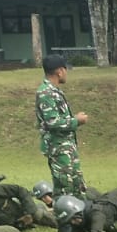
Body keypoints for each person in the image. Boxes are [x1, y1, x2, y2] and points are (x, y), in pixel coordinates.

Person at [36, 54, 88, 196]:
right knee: (65, 188)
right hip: (58, 148)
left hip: (66, 147)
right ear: (59, 71)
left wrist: (74, 119)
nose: (66, 73)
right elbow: (53, 122)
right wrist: (76, 121)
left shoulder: (54, 91)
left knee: (77, 187)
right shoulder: (46, 93)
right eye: (65, 69)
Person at [33, 182, 117, 232]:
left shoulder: (97, 214)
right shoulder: (76, 216)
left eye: (73, 220)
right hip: (102, 204)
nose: (73, 223)